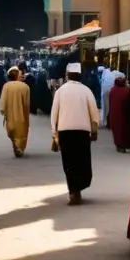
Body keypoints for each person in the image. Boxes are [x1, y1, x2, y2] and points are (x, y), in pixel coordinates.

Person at [50, 63, 100, 205]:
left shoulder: (60, 91)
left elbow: (54, 113)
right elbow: (94, 113)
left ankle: (73, 190)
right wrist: (94, 130)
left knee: (69, 162)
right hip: (82, 132)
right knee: (82, 161)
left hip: (65, 131)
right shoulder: (86, 91)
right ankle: (77, 189)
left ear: (67, 75)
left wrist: (54, 133)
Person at [0, 66, 31, 157]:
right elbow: (27, 103)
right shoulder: (25, 87)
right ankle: (20, 148)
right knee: (22, 133)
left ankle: (15, 146)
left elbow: (3, 100)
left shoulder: (6, 86)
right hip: (22, 115)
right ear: (17, 76)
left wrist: (2, 110)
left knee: (12, 131)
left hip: (10, 115)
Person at [107, 75, 130, 153]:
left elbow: (110, 102)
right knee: (125, 129)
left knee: (117, 130)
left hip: (114, 113)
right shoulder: (128, 90)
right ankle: (124, 145)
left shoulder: (112, 90)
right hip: (125, 114)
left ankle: (118, 145)